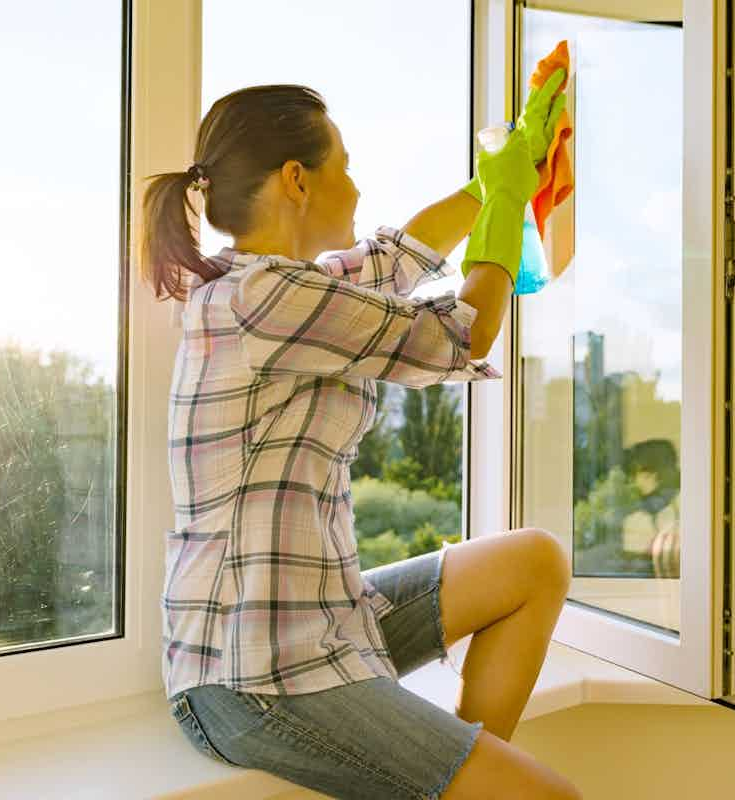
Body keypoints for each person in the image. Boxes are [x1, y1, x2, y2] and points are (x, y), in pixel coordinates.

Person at [139, 76, 582, 800]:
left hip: (315, 621)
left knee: (533, 563)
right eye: (343, 164)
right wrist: (503, 203)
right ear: (296, 181)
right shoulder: (259, 300)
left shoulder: (274, 286)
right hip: (252, 678)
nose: (356, 182)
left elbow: (398, 257)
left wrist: (510, 169)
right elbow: (459, 331)